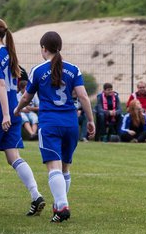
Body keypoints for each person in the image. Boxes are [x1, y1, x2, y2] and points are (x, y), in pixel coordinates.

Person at [12, 31, 94, 222]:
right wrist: (90, 120)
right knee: (65, 168)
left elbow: (27, 96)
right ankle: (59, 207)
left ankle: (62, 205)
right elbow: (82, 96)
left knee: (53, 167)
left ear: (43, 48)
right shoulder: (74, 69)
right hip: (71, 123)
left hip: (50, 124)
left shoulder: (38, 70)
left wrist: (17, 109)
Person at [0, 18, 45, 216]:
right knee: (13, 156)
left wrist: (4, 114)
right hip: (13, 108)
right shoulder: (9, 54)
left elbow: (0, 85)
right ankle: (36, 195)